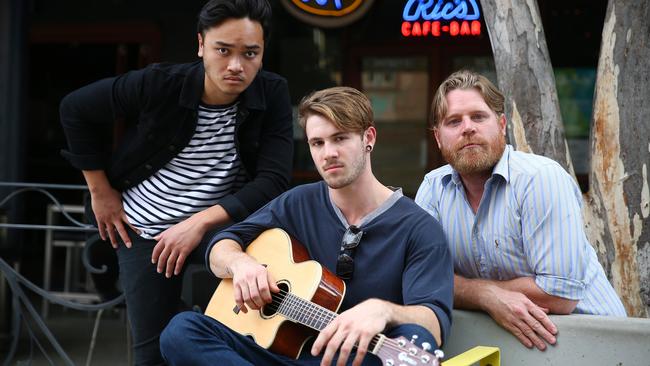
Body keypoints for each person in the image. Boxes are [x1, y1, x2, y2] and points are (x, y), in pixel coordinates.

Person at [59, 0, 293, 364]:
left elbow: (274, 179)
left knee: (246, 333)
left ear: (262, 53)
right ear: (201, 45)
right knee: (151, 351)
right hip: (142, 227)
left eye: (250, 53)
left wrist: (196, 224)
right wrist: (100, 191)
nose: (236, 65)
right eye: (222, 50)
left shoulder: (272, 92)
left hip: (218, 229)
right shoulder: (160, 83)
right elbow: (75, 109)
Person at [159, 86, 454, 366]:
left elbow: (434, 323)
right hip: (274, 355)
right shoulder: (297, 202)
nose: (328, 153)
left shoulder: (419, 228)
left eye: (340, 138)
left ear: (369, 138)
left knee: (417, 339)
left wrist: (384, 311)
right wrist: (240, 264)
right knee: (181, 330)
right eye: (317, 143)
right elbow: (221, 246)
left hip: (353, 359)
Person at [415, 70, 627, 351]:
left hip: (591, 342)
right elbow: (421, 282)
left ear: (501, 125)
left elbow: (559, 295)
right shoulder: (433, 189)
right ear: (439, 138)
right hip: (499, 344)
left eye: (478, 117)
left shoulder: (540, 178)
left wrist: (473, 291)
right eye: (454, 121)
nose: (467, 127)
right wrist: (484, 295)